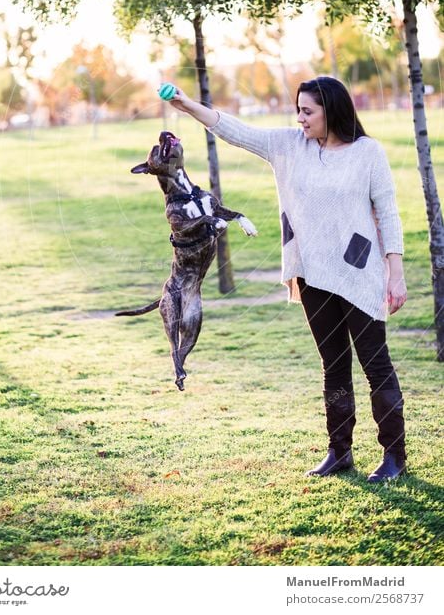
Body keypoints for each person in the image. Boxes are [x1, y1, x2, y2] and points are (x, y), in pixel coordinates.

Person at [168, 76, 408, 483]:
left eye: (307, 111)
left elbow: (387, 213)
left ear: (331, 110)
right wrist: (189, 105)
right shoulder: (288, 146)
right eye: (298, 110)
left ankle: (394, 456)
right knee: (333, 366)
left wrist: (395, 274)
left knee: (376, 366)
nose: (299, 118)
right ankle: (340, 451)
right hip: (311, 273)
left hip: (359, 273)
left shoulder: (368, 153)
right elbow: (236, 131)